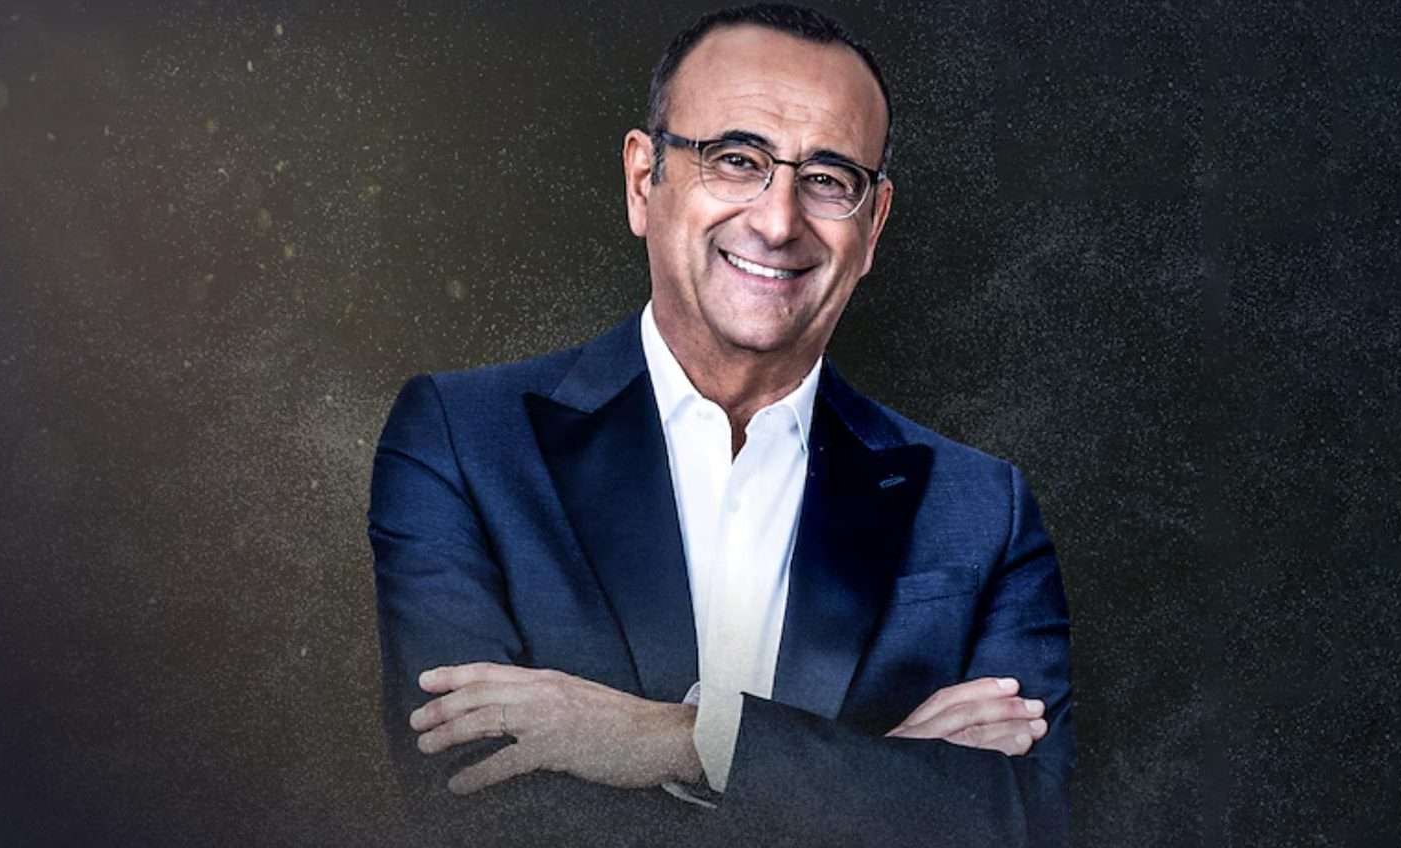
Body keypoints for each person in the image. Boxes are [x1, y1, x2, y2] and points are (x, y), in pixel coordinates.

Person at [368, 5, 1073, 845]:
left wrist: (684, 740)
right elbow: (476, 805)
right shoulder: (460, 441)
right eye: (736, 161)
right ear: (644, 181)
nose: (778, 222)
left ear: (873, 224)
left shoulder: (983, 511)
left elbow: (1025, 823)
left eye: (828, 179)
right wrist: (884, 773)